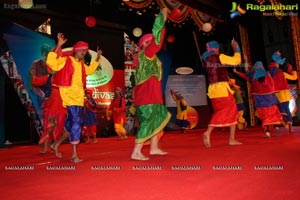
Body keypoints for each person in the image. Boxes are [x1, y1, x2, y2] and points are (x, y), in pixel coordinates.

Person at [46, 32, 102, 163]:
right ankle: (74, 155)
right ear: (76, 50)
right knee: (76, 124)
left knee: (72, 127)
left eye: (85, 51)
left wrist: (98, 57)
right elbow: (52, 63)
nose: (84, 52)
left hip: (78, 98)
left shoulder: (82, 65)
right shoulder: (66, 61)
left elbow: (90, 70)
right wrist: (59, 44)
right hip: (69, 97)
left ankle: (55, 145)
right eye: (82, 50)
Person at [131, 8, 171, 161]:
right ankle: (136, 151)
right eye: (147, 41)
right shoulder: (146, 53)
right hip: (147, 96)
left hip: (152, 94)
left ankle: (154, 148)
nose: (151, 43)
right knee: (148, 122)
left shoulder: (150, 57)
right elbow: (157, 40)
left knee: (157, 120)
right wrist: (162, 18)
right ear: (143, 45)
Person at [201, 39, 242, 148]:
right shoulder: (220, 57)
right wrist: (236, 49)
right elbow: (236, 61)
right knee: (228, 111)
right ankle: (208, 132)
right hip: (222, 89)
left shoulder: (206, 60)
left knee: (225, 111)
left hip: (213, 90)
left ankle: (232, 139)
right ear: (216, 48)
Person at [234, 60, 284, 138]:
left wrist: (243, 64)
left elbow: (246, 73)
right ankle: (276, 126)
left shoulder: (253, 76)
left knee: (265, 116)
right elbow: (276, 67)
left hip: (260, 101)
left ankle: (267, 132)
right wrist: (277, 59)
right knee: (273, 114)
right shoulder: (268, 74)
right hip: (270, 99)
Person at [269, 51, 297, 133]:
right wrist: (293, 70)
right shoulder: (282, 73)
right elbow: (294, 78)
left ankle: (278, 126)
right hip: (284, 94)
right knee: (286, 110)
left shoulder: (270, 74)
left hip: (277, 94)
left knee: (279, 111)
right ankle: (290, 127)